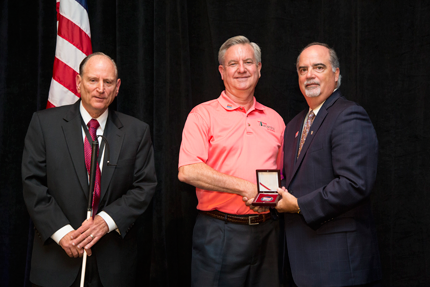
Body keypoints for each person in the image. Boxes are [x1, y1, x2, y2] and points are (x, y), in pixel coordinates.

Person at [22, 52, 157, 287]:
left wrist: (106, 221)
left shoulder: (137, 131)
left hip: (114, 266)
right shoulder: (45, 124)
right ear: (78, 82)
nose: (100, 89)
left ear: (117, 87)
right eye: (93, 80)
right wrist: (62, 233)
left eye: (108, 82)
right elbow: (32, 183)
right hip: (57, 261)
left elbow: (144, 186)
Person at [254, 43, 381, 286]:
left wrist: (300, 205)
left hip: (338, 263)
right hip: (298, 262)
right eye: (303, 70)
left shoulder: (349, 115)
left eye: (318, 67)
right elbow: (291, 181)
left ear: (336, 74)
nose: (309, 74)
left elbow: (355, 184)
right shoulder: (293, 126)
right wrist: (269, 199)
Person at [178, 35, 285, 287]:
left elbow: (282, 175)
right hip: (219, 232)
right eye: (233, 63)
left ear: (259, 69)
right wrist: (246, 188)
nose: (242, 69)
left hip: (268, 231)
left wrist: (271, 199)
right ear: (222, 71)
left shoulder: (276, 119)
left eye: (248, 62)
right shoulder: (202, 114)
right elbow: (188, 171)